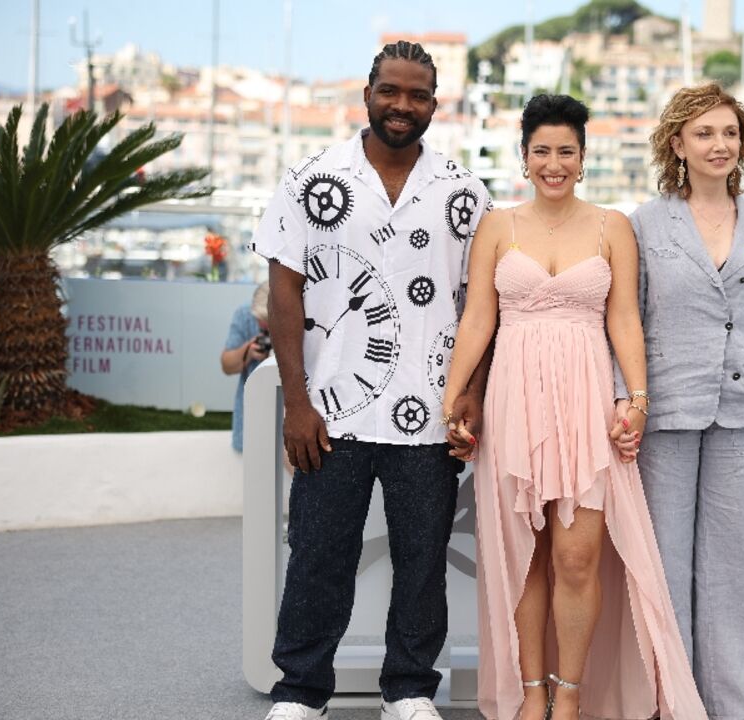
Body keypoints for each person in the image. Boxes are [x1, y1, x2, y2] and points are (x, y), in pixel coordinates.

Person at [441, 94, 706, 720]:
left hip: (586, 399)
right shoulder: (497, 226)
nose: (553, 163)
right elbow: (479, 316)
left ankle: (570, 694)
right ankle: (531, 692)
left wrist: (637, 399)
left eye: (566, 151)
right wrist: (453, 397)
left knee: (577, 555)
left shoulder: (612, 225)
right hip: (514, 399)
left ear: (582, 159)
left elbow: (626, 321)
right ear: (524, 157)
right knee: (521, 553)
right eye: (542, 151)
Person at [250, 40, 492, 720]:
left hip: (430, 407)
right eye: (391, 91)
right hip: (330, 412)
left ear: (434, 106)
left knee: (422, 563)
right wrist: (296, 401)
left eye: (417, 95)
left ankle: (410, 690)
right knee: (318, 557)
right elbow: (285, 293)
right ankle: (300, 692)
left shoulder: (463, 193)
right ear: (367, 93)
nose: (402, 105)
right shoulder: (311, 180)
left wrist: (470, 392)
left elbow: (481, 303)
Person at [617, 82, 744, 720]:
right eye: (705, 133)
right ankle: (670, 699)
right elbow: (627, 319)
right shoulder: (645, 221)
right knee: (664, 559)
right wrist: (625, 396)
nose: (720, 145)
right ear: (678, 144)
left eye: (730, 133)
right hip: (665, 408)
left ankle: (739, 702)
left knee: (735, 561)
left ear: (743, 142)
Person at [221, 282, 271, 452]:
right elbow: (227, 366)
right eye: (261, 322)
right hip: (250, 414)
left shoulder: (303, 317)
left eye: (270, 322)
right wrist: (248, 351)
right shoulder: (244, 314)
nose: (265, 328)